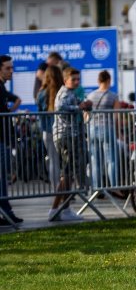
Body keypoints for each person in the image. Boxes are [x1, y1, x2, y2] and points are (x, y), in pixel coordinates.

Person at [49, 67, 92, 222]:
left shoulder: (72, 93)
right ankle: (55, 209)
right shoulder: (64, 93)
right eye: (73, 79)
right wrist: (78, 107)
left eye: (78, 79)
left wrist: (87, 105)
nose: (76, 82)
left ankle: (64, 209)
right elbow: (60, 108)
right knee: (66, 175)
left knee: (69, 174)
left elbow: (80, 105)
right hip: (66, 137)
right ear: (65, 79)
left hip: (72, 136)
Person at [87, 70, 121, 197]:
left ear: (98, 81)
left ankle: (97, 189)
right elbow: (117, 116)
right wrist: (118, 132)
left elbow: (86, 115)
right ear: (108, 80)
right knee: (111, 160)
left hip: (92, 129)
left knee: (96, 161)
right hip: (107, 129)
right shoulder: (113, 96)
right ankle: (115, 187)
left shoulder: (90, 96)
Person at [0, 55, 23, 224]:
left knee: (3, 177)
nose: (11, 71)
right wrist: (9, 112)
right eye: (8, 68)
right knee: (2, 178)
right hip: (0, 139)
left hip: (3, 138)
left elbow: (14, 100)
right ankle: (6, 212)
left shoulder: (2, 88)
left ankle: (6, 212)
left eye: (12, 67)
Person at [36, 64, 64, 200]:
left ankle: (56, 189)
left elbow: (40, 114)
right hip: (61, 130)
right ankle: (66, 188)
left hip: (47, 131)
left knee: (53, 161)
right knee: (66, 162)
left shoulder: (41, 93)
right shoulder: (62, 91)